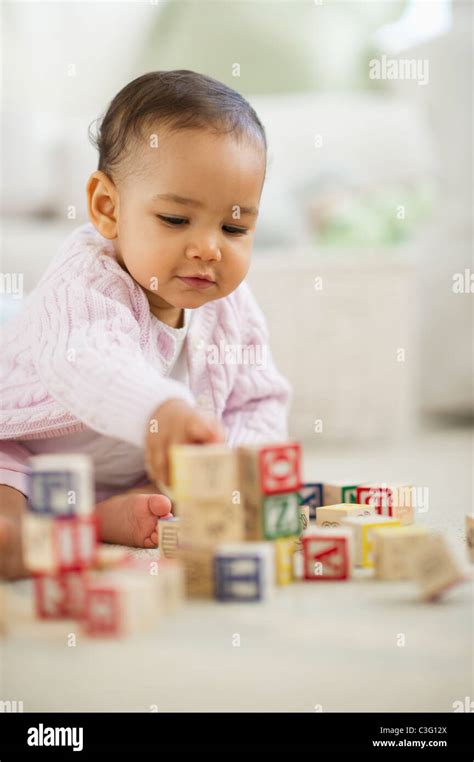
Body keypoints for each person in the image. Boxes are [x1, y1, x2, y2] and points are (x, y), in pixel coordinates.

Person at [0, 70, 292, 579]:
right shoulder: (86, 282)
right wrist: (161, 408)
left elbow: (257, 400)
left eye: (234, 226)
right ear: (107, 208)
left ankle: (100, 516)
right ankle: (52, 531)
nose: (209, 247)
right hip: (23, 452)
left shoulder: (232, 311)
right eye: (177, 221)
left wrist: (236, 469)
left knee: (175, 502)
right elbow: (89, 361)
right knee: (8, 513)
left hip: (130, 470)